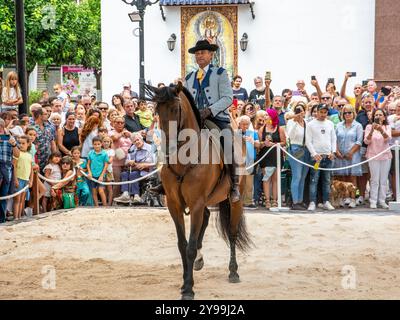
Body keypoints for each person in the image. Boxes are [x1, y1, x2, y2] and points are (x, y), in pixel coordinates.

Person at [150, 39, 240, 201]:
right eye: (197, 53)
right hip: (193, 119)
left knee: (227, 140)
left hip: (216, 118)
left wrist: (209, 110)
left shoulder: (220, 74)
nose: (199, 56)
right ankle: (165, 181)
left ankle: (234, 185)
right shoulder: (190, 78)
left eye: (203, 52)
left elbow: (227, 98)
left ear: (211, 55)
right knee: (171, 141)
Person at [306, 104, 336, 211]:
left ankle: (326, 201)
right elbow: (308, 141)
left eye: (325, 112)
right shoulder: (310, 124)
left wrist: (333, 152)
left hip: (328, 156)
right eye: (321, 112)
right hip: (316, 158)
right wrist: (314, 154)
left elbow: (333, 139)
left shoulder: (330, 123)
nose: (323, 114)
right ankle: (312, 202)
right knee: (314, 180)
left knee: (327, 180)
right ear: (317, 112)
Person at [333, 105, 363, 208]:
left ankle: (353, 198)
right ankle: (342, 198)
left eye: (349, 112)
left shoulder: (358, 126)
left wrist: (351, 152)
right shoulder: (338, 125)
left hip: (353, 155)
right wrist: (337, 151)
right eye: (345, 113)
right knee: (341, 178)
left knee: (352, 178)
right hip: (340, 155)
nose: (347, 115)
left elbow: (359, 141)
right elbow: (335, 139)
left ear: (353, 113)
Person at [114, 133, 155, 203]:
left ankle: (136, 195)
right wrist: (129, 162)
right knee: (124, 174)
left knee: (133, 174)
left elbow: (152, 161)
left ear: (141, 139)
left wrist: (144, 164)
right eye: (134, 141)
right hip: (134, 169)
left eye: (137, 140)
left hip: (146, 171)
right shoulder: (132, 148)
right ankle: (125, 194)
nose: (136, 142)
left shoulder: (150, 148)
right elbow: (127, 160)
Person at [257, 108, 286, 209]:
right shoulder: (262, 129)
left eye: (267, 115)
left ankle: (275, 200)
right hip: (266, 156)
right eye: (264, 115)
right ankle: (267, 200)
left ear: (272, 116)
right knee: (266, 179)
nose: (265, 117)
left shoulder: (279, 129)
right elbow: (259, 145)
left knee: (275, 179)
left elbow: (284, 142)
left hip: (276, 155)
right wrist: (263, 143)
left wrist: (274, 144)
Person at [364, 109, 392, 209]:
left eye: (381, 115)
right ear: (373, 117)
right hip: (373, 155)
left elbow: (388, 139)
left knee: (383, 180)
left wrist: (381, 130)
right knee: (374, 179)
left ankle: (382, 200)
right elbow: (366, 142)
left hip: (385, 156)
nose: (379, 116)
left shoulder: (387, 127)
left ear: (384, 117)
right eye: (376, 115)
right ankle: (373, 201)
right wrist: (372, 130)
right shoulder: (368, 127)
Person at [286, 103, 310, 210]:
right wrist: (295, 121)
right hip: (295, 148)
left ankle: (300, 201)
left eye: (301, 110)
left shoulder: (306, 123)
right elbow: (290, 136)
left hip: (305, 149)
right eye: (297, 110)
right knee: (297, 176)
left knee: (303, 177)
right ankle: (295, 202)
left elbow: (308, 138)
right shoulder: (291, 122)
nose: (299, 112)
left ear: (304, 112)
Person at [0, 118, 20, 223]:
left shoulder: (10, 138)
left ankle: (1, 220)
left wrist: (14, 144)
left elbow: (17, 155)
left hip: (6, 170)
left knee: (4, 196)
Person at [13, 136, 33, 220]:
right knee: (17, 200)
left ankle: (20, 216)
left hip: (26, 180)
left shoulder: (29, 155)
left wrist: (30, 180)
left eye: (23, 143)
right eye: (19, 143)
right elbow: (14, 166)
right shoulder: (17, 154)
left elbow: (31, 169)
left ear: (28, 144)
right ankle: (15, 218)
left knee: (22, 199)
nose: (21, 145)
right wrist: (15, 179)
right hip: (19, 178)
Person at [87, 137, 109, 206]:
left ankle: (105, 206)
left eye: (98, 144)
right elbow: (88, 164)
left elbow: (106, 165)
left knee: (101, 191)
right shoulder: (90, 153)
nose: (97, 146)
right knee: (94, 192)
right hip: (93, 176)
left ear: (101, 144)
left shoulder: (104, 154)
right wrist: (90, 173)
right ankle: (96, 207)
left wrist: (102, 175)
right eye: (95, 144)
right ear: (93, 145)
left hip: (101, 176)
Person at [102, 136, 115, 206]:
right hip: (101, 172)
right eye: (104, 141)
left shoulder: (111, 151)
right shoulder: (100, 150)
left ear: (110, 143)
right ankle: (105, 203)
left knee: (109, 188)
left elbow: (110, 160)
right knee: (103, 188)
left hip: (109, 171)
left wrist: (102, 160)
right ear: (102, 143)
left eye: (108, 142)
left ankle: (109, 203)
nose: (106, 143)